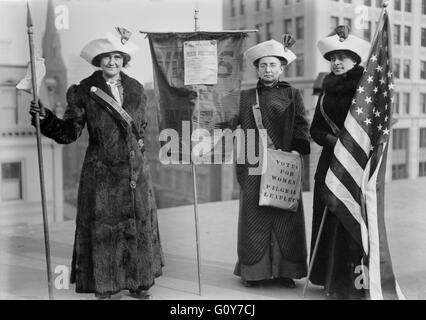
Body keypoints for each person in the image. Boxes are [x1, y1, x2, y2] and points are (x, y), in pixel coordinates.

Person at [29, 31, 164, 299]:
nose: (112, 62)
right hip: (101, 173)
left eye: (117, 57)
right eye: (106, 58)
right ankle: (105, 284)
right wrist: (45, 118)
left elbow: (141, 130)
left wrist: (139, 160)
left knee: (139, 225)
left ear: (123, 59)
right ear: (98, 60)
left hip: (136, 172)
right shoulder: (83, 92)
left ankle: (139, 282)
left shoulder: (137, 89)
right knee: (104, 230)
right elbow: (69, 132)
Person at [228, 38, 310, 288]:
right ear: (257, 69)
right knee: (255, 218)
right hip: (253, 166)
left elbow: (301, 124)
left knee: (286, 218)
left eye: (273, 65)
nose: (268, 70)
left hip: (285, 163)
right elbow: (227, 122)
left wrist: (297, 150)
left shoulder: (292, 94)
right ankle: (254, 272)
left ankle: (286, 272)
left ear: (282, 68)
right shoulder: (244, 97)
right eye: (263, 65)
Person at [309, 26, 371, 299]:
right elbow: (314, 130)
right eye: (333, 57)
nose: (336, 62)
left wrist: (348, 146)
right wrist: (332, 141)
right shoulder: (325, 90)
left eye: (343, 57)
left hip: (354, 165)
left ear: (356, 61)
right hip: (328, 162)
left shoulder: (364, 91)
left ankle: (348, 283)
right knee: (326, 216)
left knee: (346, 221)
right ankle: (328, 279)